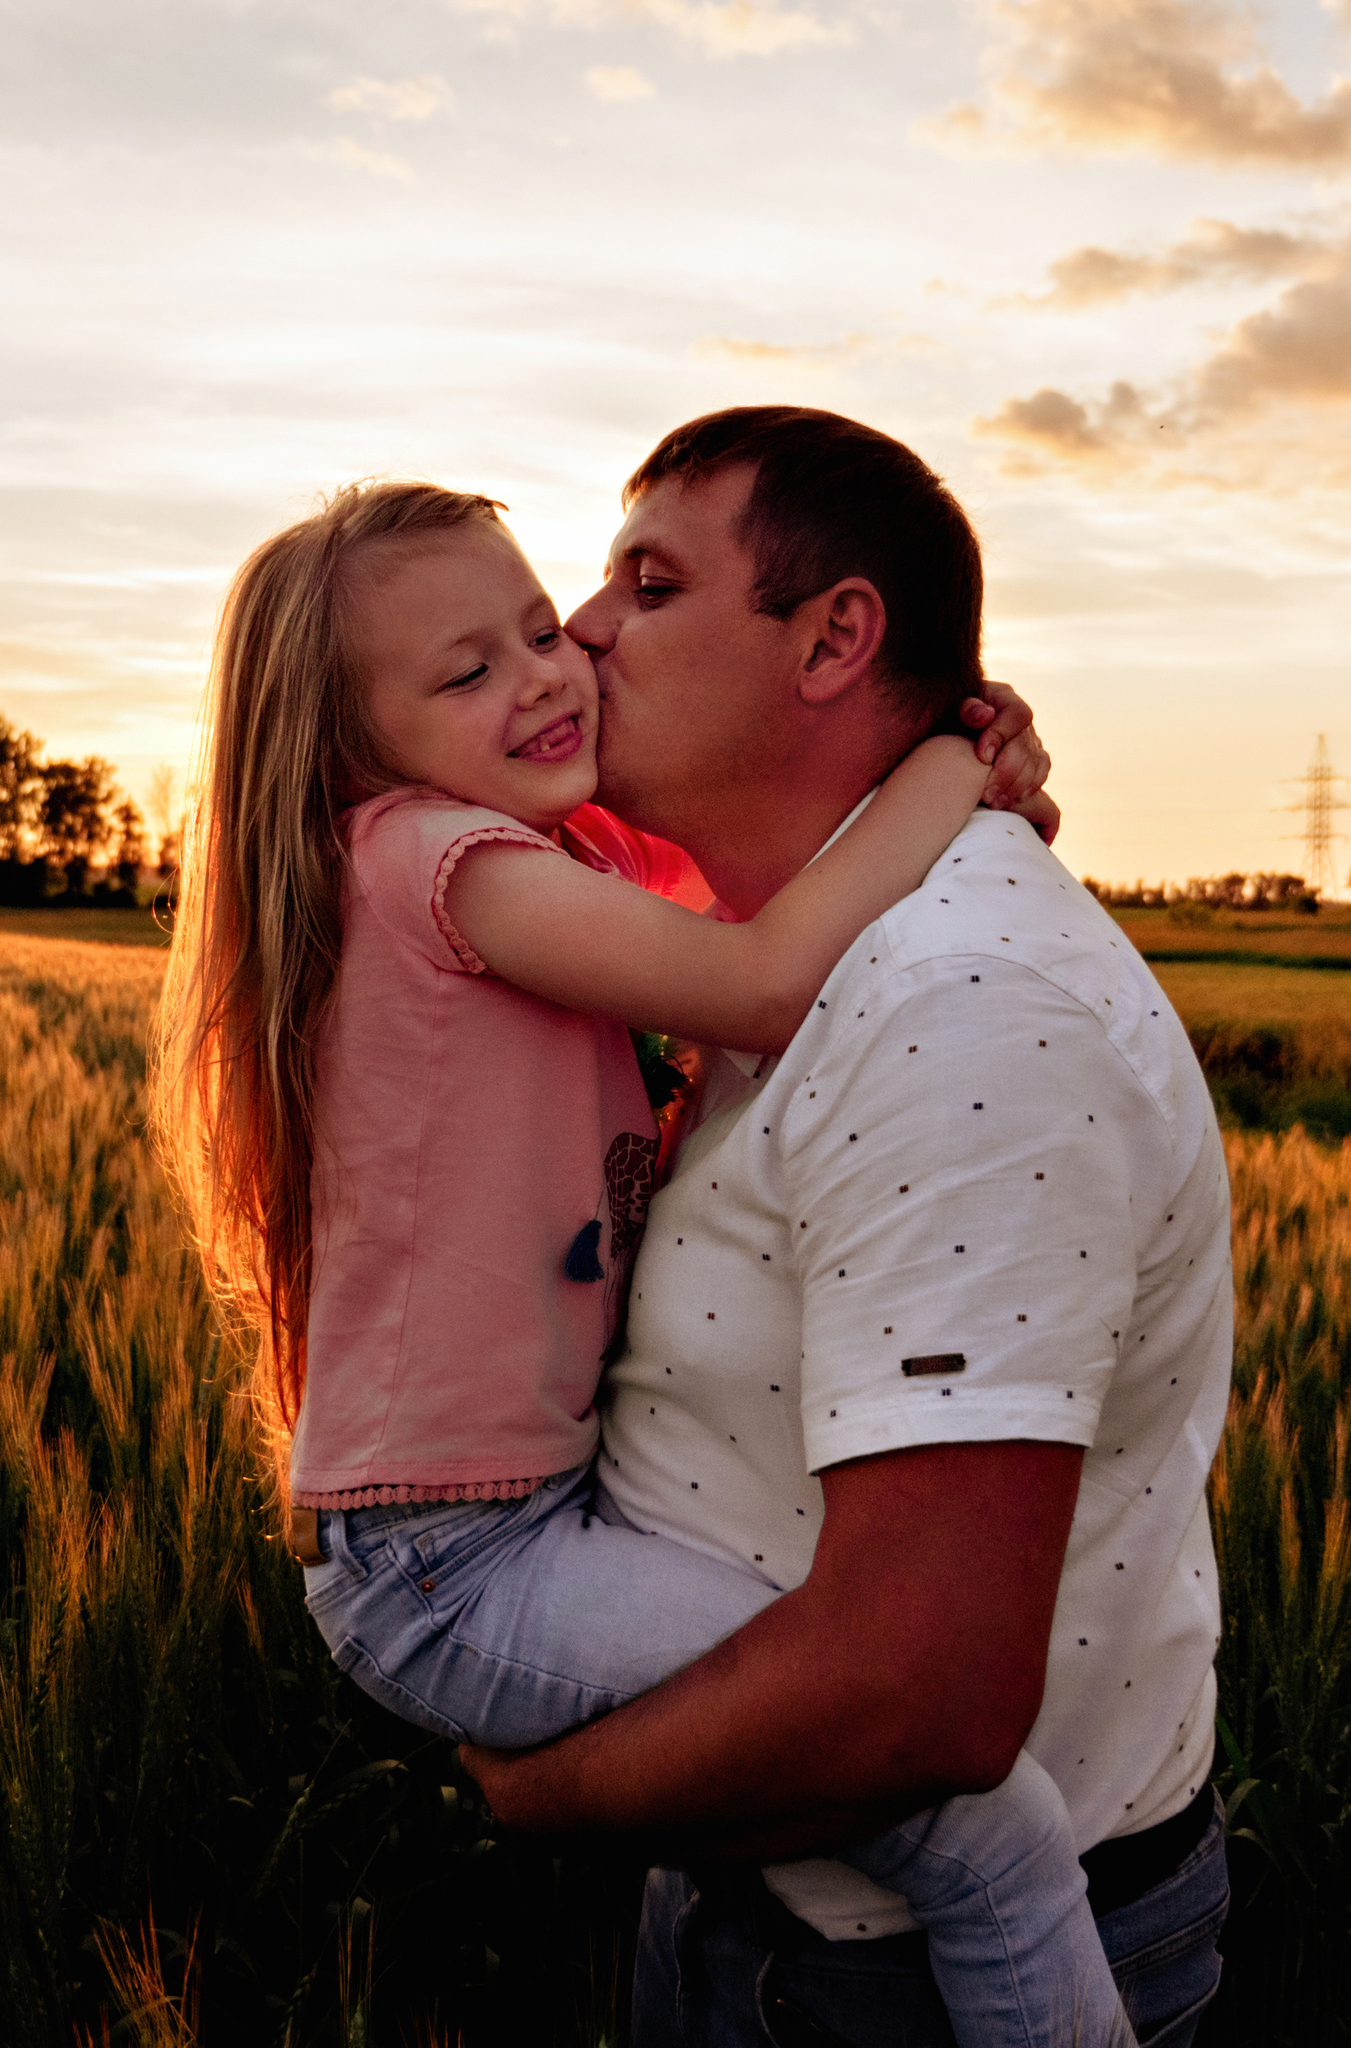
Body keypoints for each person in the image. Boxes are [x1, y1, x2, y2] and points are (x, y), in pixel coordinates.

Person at [155, 476, 1135, 2046]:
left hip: (499, 1526)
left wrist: (938, 774)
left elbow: (772, 869)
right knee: (990, 1834)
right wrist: (951, 767)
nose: (548, 671)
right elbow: (756, 974)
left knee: (858, 1750)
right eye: (466, 674)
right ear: (349, 748)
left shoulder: (535, 851)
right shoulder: (439, 863)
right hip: (457, 1557)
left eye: (540, 627)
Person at [457, 407, 1236, 2048]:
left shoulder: (960, 1006)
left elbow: (923, 1693)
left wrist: (538, 1790)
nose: (584, 628)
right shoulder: (782, 941)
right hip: (776, 1906)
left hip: (924, 1981)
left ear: (836, 640)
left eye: (649, 583)